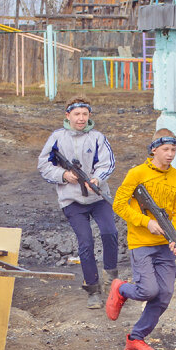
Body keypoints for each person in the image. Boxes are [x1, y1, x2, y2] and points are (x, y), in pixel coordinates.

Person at [105, 130, 176, 350]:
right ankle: (120, 288)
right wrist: (145, 222)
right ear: (154, 150)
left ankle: (135, 339)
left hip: (165, 245)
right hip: (141, 242)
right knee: (148, 290)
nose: (170, 154)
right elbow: (119, 204)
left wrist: (175, 236)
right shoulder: (137, 173)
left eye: (173, 150)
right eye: (166, 150)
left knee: (165, 294)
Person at [37, 97, 118, 309]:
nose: (81, 118)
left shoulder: (98, 137)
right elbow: (44, 165)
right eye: (76, 114)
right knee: (86, 242)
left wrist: (96, 179)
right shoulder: (57, 137)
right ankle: (92, 288)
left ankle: (111, 277)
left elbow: (108, 163)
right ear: (68, 116)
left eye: (84, 114)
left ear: (89, 116)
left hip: (98, 196)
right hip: (71, 199)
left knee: (110, 232)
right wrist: (63, 175)